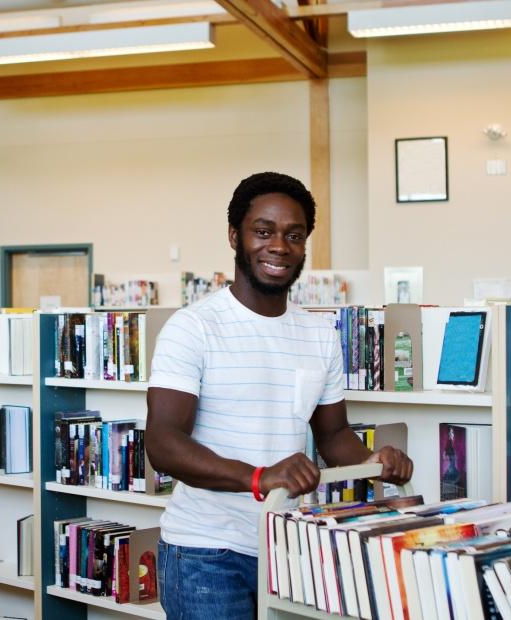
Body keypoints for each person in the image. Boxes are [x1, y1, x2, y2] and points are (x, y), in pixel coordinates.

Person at [146, 171, 414, 620]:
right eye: (263, 231)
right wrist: (258, 477)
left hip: (290, 545)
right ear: (235, 236)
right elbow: (164, 444)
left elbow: (333, 435)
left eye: (294, 235)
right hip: (206, 554)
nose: (279, 246)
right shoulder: (192, 328)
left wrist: (374, 464)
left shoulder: (319, 334)